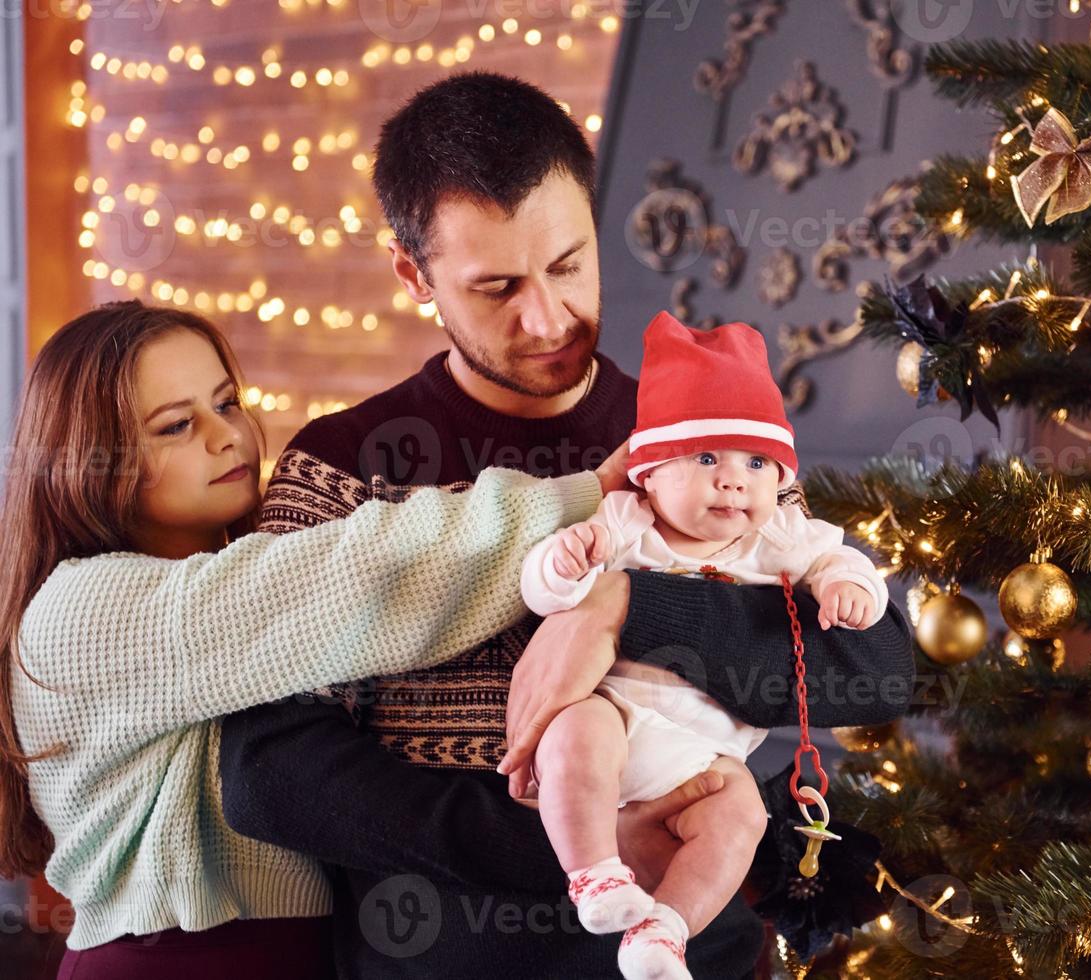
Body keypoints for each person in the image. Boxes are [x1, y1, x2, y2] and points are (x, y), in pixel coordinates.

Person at [218, 72, 915, 979]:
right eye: (497, 287)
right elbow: (269, 774)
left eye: (567, 265)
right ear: (412, 273)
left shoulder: (696, 437)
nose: (545, 317)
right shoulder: (347, 463)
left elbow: (872, 673)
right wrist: (570, 845)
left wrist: (625, 608)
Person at [0, 300, 623, 979]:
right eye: (176, 425)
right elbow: (360, 572)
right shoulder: (83, 609)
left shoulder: (224, 579)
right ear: (88, 463)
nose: (225, 435)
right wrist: (591, 500)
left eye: (226, 402)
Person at [518, 312, 890, 979]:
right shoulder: (625, 523)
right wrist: (564, 564)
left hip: (702, 758)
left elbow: (848, 577)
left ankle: (665, 929)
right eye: (706, 457)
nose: (733, 480)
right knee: (574, 733)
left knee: (741, 813)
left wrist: (849, 587)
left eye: (756, 462)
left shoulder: (779, 539)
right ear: (650, 474)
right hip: (619, 715)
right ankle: (596, 877)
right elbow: (546, 595)